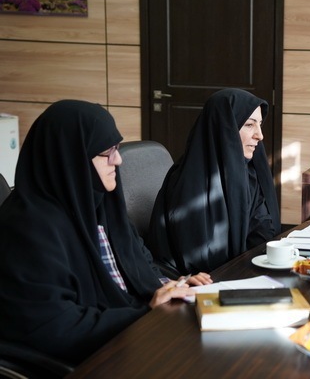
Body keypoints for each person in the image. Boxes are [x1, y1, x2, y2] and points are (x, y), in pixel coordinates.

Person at [0, 100, 212, 365]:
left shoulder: (100, 202)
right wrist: (145, 311)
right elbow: (53, 328)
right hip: (87, 357)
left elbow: (139, 263)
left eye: (117, 148)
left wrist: (172, 287)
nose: (118, 160)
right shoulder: (27, 228)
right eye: (106, 153)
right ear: (71, 159)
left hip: (131, 332)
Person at [147, 88, 281, 274]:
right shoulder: (190, 183)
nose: (260, 135)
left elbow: (263, 230)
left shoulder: (249, 173)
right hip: (199, 281)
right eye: (249, 125)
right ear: (224, 128)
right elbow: (201, 259)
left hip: (243, 271)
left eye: (259, 124)